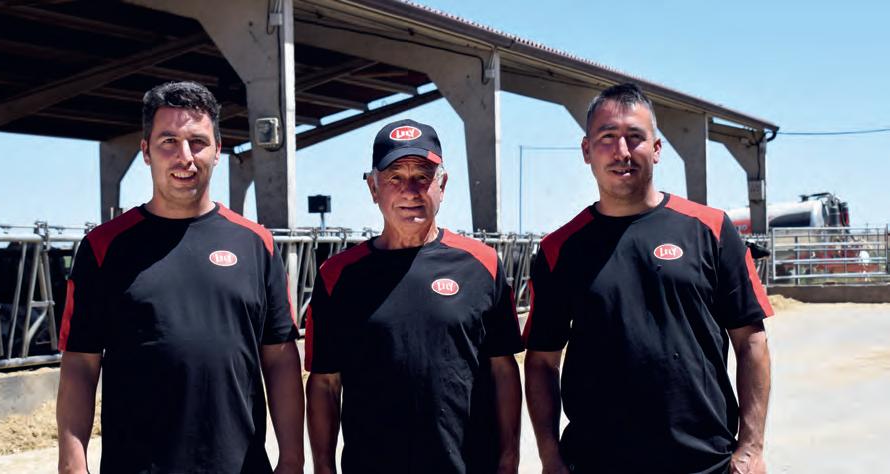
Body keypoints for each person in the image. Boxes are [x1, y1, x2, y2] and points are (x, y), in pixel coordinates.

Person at [523, 83, 773, 474]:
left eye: (635, 137)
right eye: (607, 137)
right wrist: (550, 456)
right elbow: (541, 363)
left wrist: (751, 447)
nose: (622, 151)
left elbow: (752, 340)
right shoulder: (560, 250)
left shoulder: (710, 229)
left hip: (704, 463)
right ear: (587, 150)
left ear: (656, 148)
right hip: (596, 463)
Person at [56, 81, 304, 474]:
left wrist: (291, 459)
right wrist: (72, 464)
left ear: (218, 150)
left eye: (197, 142)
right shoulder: (103, 248)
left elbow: (280, 359)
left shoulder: (257, 244)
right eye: (168, 141)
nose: (184, 156)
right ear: (146, 151)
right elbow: (80, 364)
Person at [305, 119, 524, 474]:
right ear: (373, 187)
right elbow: (325, 382)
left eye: (422, 176)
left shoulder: (482, 264)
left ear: (442, 185)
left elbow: (503, 369)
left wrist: (509, 460)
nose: (410, 190)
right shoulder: (337, 276)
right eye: (395, 177)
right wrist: (324, 469)